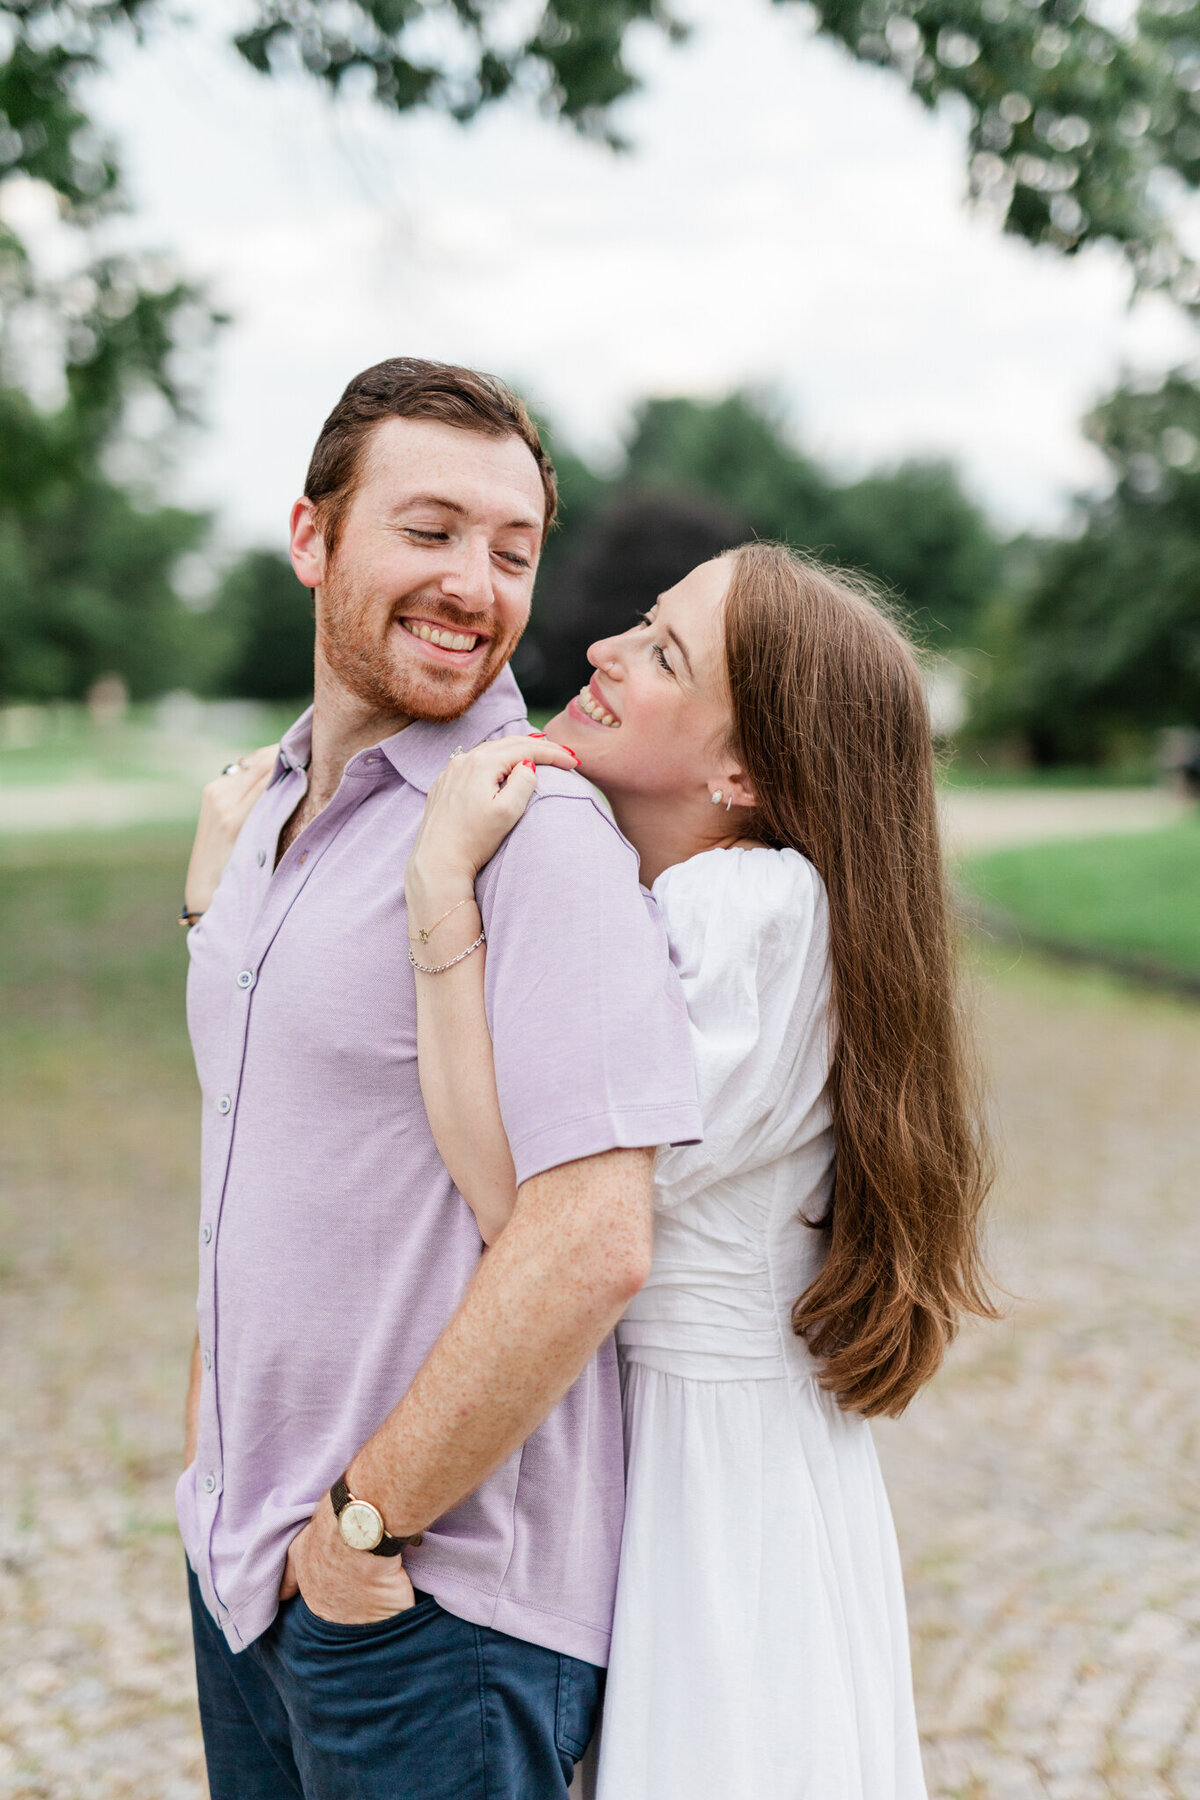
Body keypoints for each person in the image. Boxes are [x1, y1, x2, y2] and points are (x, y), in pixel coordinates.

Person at [194, 536, 996, 1797]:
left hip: (702, 1461)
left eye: (665, 651)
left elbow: (535, 1202)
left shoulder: (737, 916)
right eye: (641, 616)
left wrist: (440, 895)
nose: (607, 651)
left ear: (745, 768)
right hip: (699, 1437)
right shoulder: (725, 896)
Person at [177, 357, 703, 1800]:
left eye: (513, 550)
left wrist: (362, 1533)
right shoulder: (270, 808)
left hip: (426, 1607)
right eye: (430, 531)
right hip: (246, 1567)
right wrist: (212, 1476)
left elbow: (593, 1240)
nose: (476, 581)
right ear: (313, 538)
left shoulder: (537, 834)